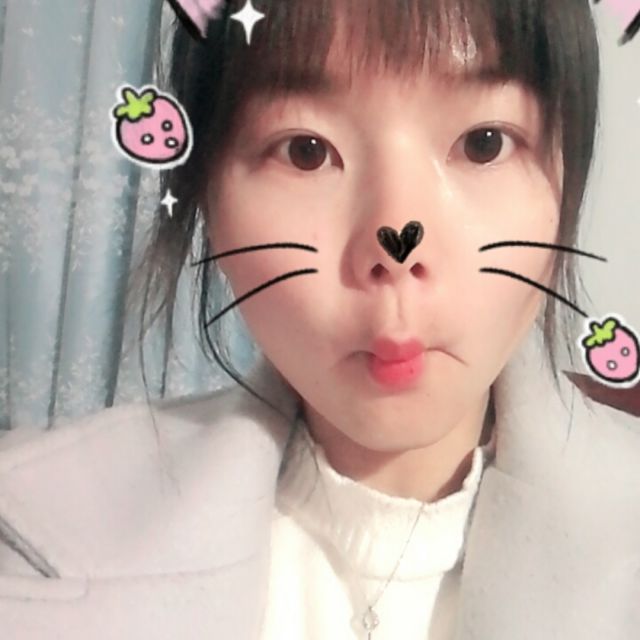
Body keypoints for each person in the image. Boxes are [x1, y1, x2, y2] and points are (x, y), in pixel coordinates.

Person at [0, 1, 639, 638]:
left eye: (483, 143)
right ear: (206, 197)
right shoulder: (31, 526)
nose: (397, 244)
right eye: (305, 152)